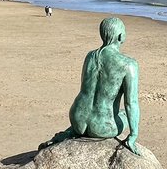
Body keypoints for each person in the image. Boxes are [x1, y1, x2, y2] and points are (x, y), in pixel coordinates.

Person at [41, 16, 140, 154]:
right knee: (124, 115)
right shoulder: (129, 65)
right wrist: (133, 135)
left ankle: (68, 133)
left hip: (77, 119)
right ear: (120, 36)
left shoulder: (90, 56)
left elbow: (86, 88)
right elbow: (131, 103)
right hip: (102, 128)